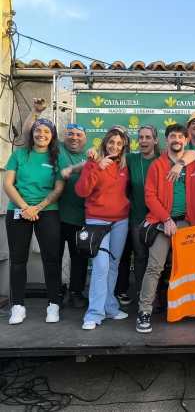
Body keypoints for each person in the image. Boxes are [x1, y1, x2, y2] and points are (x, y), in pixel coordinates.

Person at [136, 124, 195, 333]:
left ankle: (191, 307)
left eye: (180, 136)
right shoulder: (157, 165)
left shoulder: (193, 164)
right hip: (162, 223)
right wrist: (166, 219)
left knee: (190, 268)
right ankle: (144, 311)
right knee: (154, 267)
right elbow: (150, 196)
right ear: (166, 140)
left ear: (186, 140)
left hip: (187, 223)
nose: (176, 139)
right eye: (172, 136)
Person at [4, 118, 64, 325]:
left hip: (47, 211)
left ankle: (53, 304)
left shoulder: (57, 157)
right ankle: (18, 306)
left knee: (52, 259)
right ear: (32, 134)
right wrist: (25, 207)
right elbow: (8, 184)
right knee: (18, 260)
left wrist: (37, 208)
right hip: (18, 209)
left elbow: (58, 188)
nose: (42, 135)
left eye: (47, 131)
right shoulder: (19, 154)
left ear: (52, 136)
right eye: (38, 131)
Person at [75, 127, 130, 330]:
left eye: (119, 143)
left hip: (121, 221)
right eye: (111, 142)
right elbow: (82, 191)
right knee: (101, 267)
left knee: (113, 266)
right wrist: (96, 167)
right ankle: (93, 314)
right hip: (97, 221)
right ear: (105, 143)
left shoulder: (124, 165)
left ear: (123, 147)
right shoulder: (94, 162)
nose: (114, 146)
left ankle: (110, 307)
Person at [115, 125, 160, 305]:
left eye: (148, 137)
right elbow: (108, 156)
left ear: (155, 140)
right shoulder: (131, 159)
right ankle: (143, 296)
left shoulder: (163, 159)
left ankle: (157, 296)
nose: (143, 141)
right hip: (137, 218)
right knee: (140, 258)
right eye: (141, 137)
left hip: (159, 218)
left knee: (158, 260)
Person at [58, 123, 88, 308]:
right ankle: (56, 293)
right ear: (64, 136)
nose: (74, 137)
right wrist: (35, 113)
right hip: (55, 216)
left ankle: (76, 292)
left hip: (81, 218)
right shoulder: (57, 148)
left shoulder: (90, 156)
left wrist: (73, 168)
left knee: (79, 259)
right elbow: (28, 135)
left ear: (85, 139)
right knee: (54, 257)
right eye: (70, 134)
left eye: (79, 134)